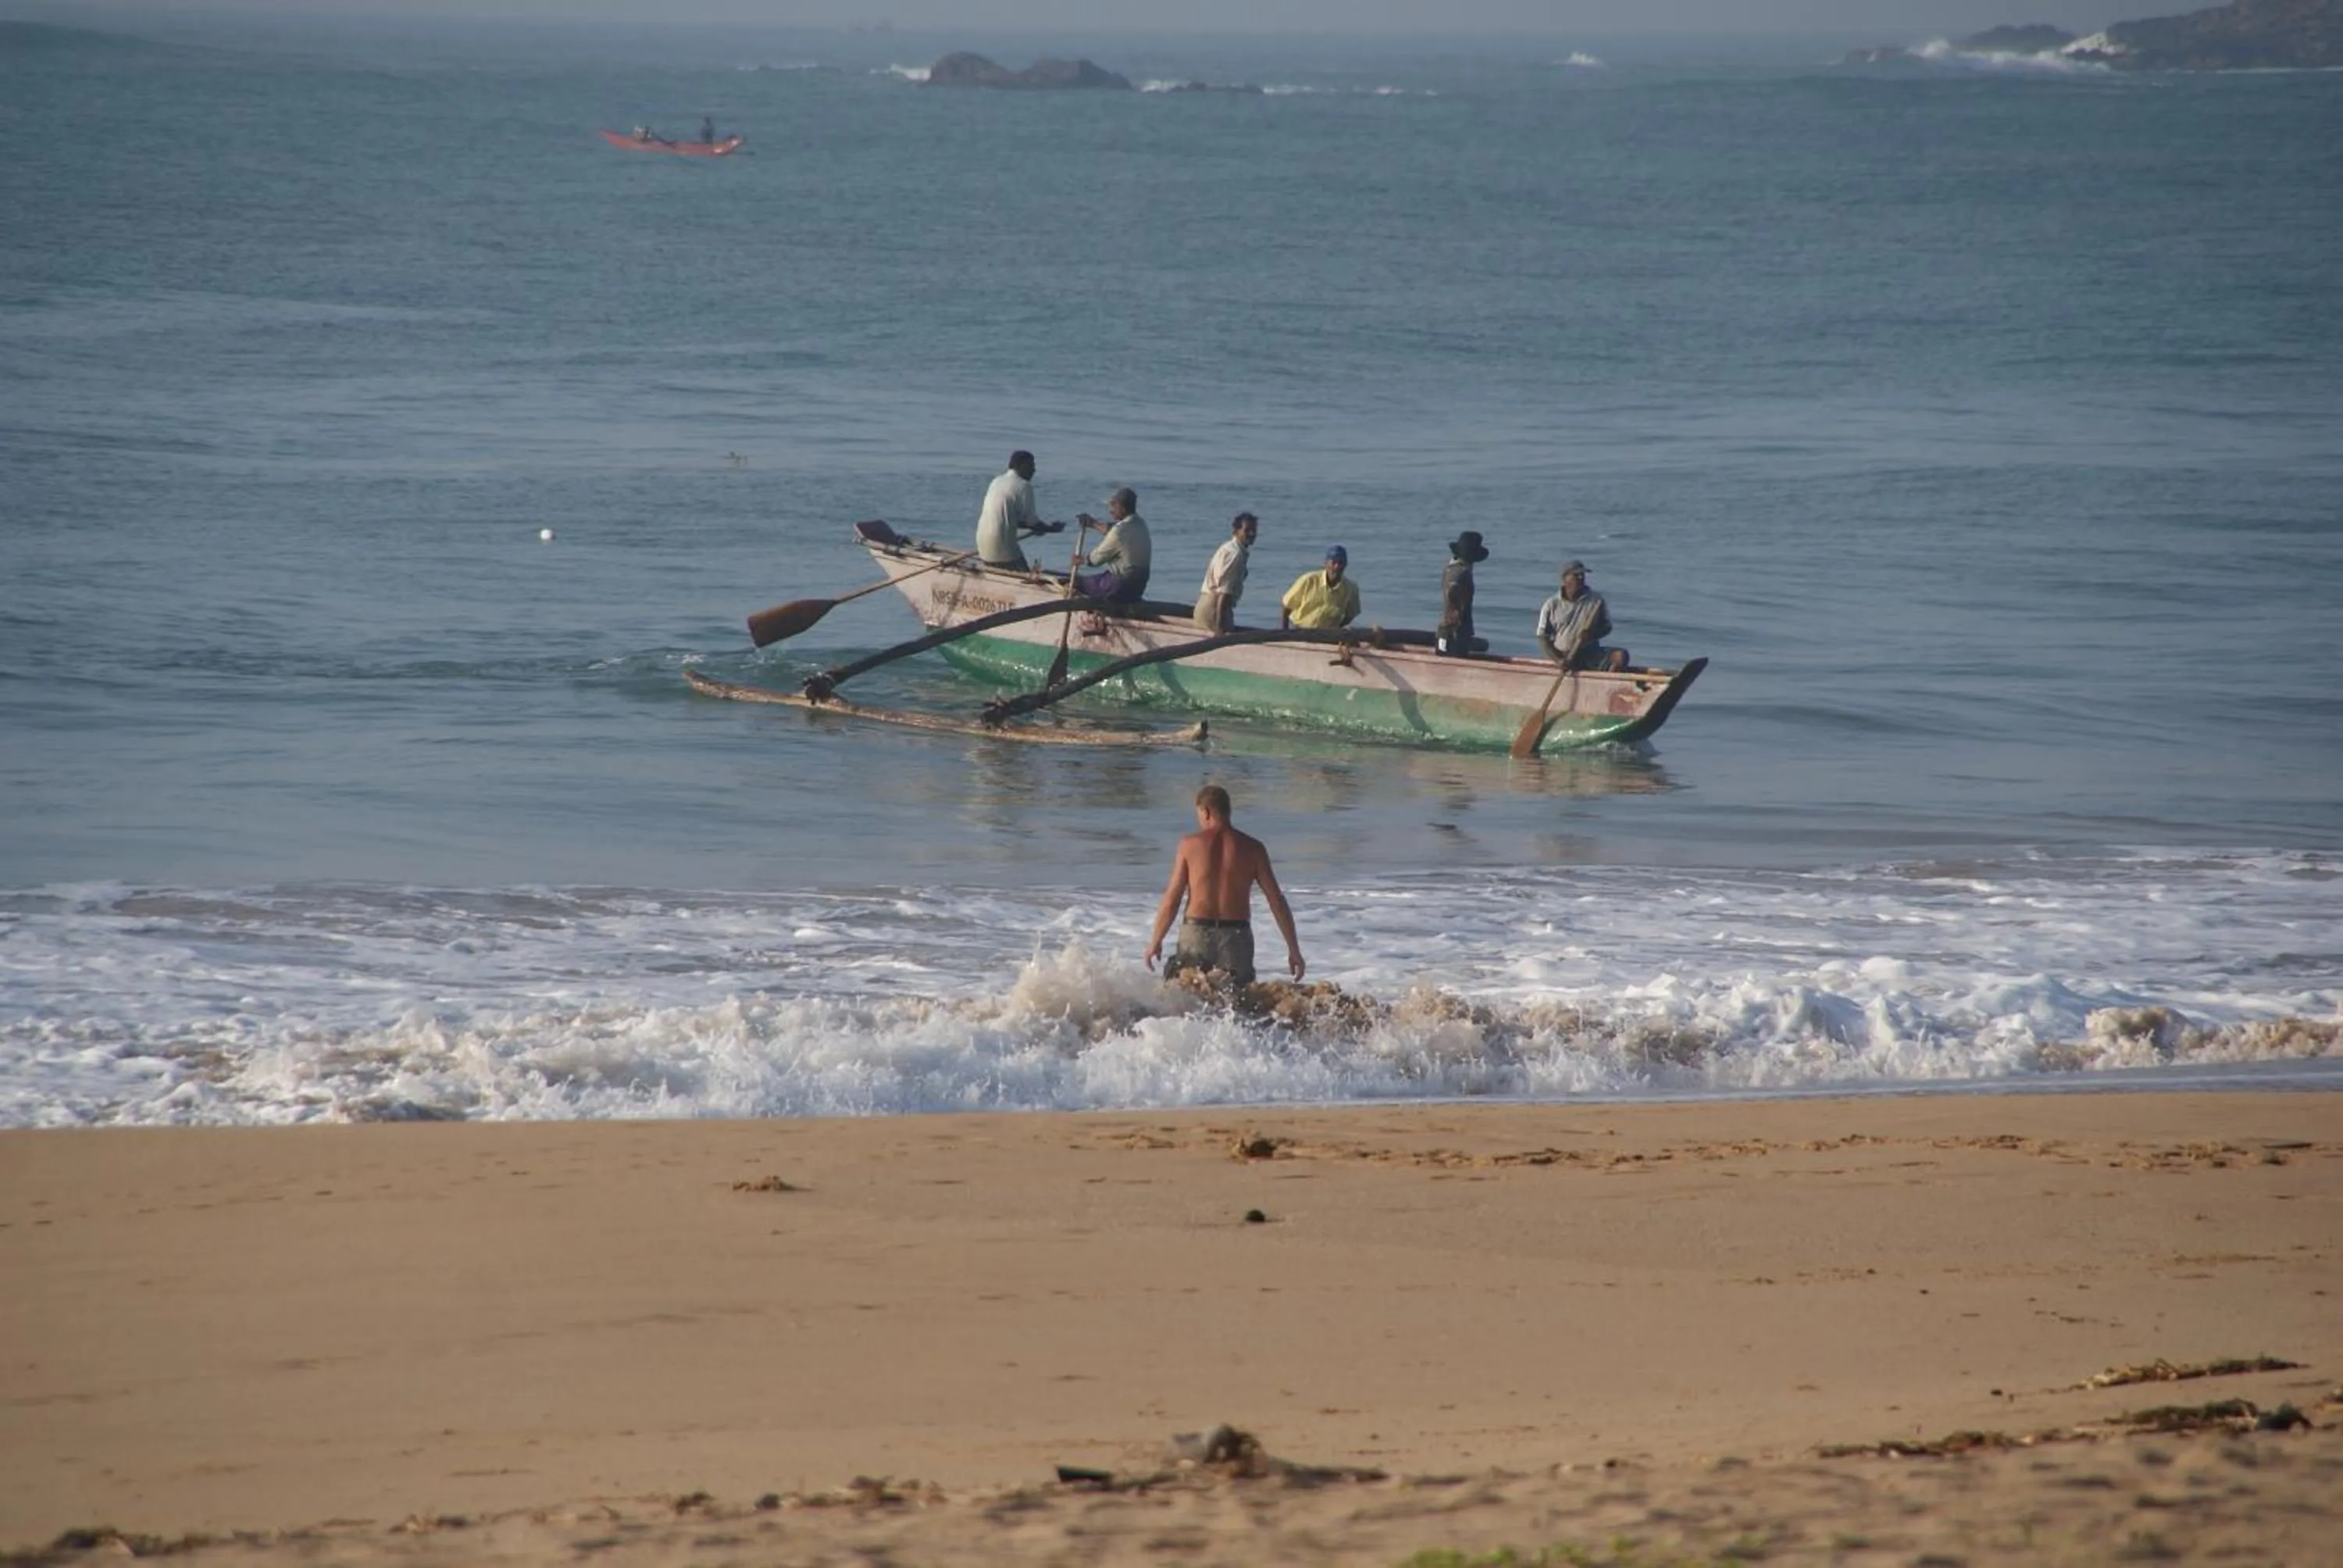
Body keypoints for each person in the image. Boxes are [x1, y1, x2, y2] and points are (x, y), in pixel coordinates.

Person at [1144, 784, 1304, 986]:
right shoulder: (1254, 848)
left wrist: (1155, 941)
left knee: (1189, 999)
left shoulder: (1189, 845)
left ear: (1206, 812)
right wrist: (1293, 949)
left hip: (1197, 933)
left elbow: (1172, 898)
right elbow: (1276, 901)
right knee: (1237, 1004)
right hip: (1236, 938)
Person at [1535, 559, 1628, 672]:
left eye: (1582, 575)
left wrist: (1591, 635)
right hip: (1565, 654)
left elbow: (1606, 627)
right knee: (1566, 660)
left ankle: (1607, 682)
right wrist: (1558, 660)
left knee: (1620, 656)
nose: (1581, 578)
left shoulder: (1596, 601)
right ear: (1565, 579)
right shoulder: (1552, 605)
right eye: (1576, 575)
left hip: (1590, 653)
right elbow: (1543, 637)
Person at [975, 450, 1062, 570]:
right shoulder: (1024, 486)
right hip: (1003, 550)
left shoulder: (997, 481)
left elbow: (1009, 518)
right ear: (1022, 466)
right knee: (1024, 572)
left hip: (982, 546)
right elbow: (1033, 523)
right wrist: (1052, 529)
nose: (1034, 470)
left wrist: (1040, 527)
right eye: (1031, 466)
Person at [1074, 486, 1151, 602]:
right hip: (1138, 586)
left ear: (1123, 509)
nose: (1111, 510)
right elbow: (1111, 530)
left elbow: (1096, 560)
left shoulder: (1119, 531)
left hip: (1120, 586)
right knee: (1097, 578)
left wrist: (1081, 560)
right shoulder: (1140, 524)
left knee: (1078, 582)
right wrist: (1093, 524)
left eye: (1114, 506)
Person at [1193, 511, 1257, 631]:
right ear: (1236, 532)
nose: (1252, 534)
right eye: (1247, 530)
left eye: (1254, 530)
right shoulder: (1236, 555)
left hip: (1203, 606)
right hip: (1214, 610)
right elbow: (1224, 593)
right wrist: (1219, 629)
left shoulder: (1227, 547)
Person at [1280, 545, 1361, 630]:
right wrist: (1285, 632)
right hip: (1301, 631)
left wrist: (1337, 629)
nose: (1337, 567)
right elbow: (1287, 606)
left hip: (1330, 634)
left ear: (1345, 565)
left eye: (1340, 563)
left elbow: (1350, 615)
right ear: (1326, 563)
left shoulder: (1351, 588)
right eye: (1333, 563)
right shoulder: (1308, 581)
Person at [1436, 529, 1489, 656]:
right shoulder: (1463, 573)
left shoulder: (1449, 570)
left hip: (1446, 632)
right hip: (1456, 634)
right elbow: (1454, 601)